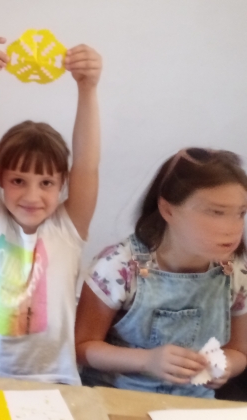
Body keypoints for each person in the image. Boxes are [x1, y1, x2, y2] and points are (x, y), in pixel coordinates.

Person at [0, 36, 102, 384]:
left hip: (50, 375)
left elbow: (87, 165)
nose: (32, 196)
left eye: (46, 183)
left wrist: (87, 89)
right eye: (18, 181)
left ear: (62, 184)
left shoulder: (67, 228)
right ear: (0, 181)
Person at [76, 148, 247, 398]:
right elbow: (82, 348)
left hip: (194, 405)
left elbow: (239, 351)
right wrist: (146, 360)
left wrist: (227, 366)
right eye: (216, 212)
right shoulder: (119, 266)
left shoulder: (237, 273)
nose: (232, 228)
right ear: (168, 210)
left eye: (241, 213)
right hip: (118, 399)